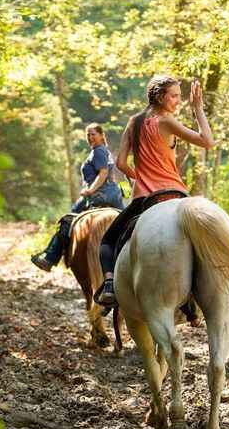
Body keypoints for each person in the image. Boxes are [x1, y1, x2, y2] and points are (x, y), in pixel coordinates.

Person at [94, 75, 217, 306]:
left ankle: (110, 285)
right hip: (176, 193)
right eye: (174, 96)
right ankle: (196, 299)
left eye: (180, 96)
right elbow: (207, 141)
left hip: (144, 198)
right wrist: (198, 109)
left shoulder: (134, 122)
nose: (179, 101)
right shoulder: (166, 121)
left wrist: (139, 176)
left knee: (108, 241)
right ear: (160, 97)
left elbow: (120, 163)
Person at [31, 123, 124, 272]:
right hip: (115, 196)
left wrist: (90, 190)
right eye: (88, 134)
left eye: (93, 134)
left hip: (98, 196)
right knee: (127, 223)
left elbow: (103, 173)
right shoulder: (105, 152)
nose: (90, 137)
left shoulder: (98, 152)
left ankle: (49, 258)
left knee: (67, 221)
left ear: (101, 135)